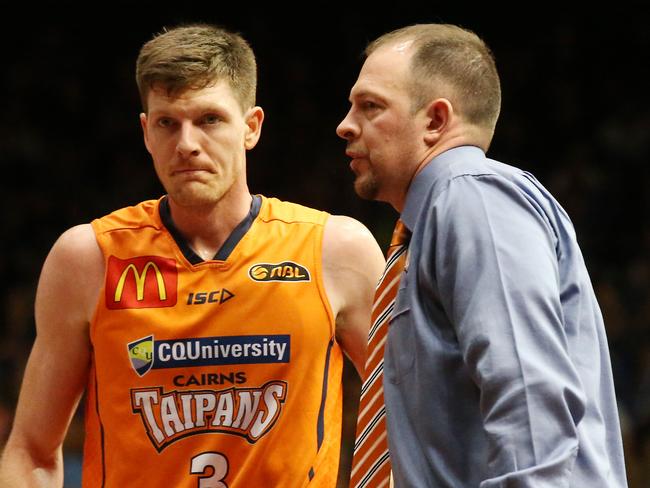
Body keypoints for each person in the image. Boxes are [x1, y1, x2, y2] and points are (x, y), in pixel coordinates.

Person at [0, 23, 385, 487]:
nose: (186, 143)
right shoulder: (88, 258)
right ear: (146, 132)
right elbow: (31, 452)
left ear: (251, 126)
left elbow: (410, 415)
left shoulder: (335, 250)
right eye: (167, 122)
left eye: (209, 119)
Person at [336, 23, 628, 487]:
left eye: (370, 107)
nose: (345, 125)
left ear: (434, 120)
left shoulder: (472, 198)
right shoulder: (432, 220)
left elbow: (529, 401)